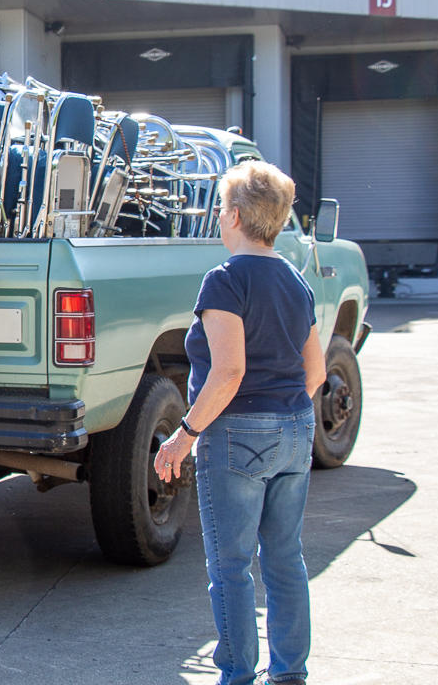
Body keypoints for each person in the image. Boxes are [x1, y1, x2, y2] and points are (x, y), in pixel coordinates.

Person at [154, 160, 326, 685]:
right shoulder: (297, 282)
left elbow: (228, 371)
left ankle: (236, 677)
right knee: (285, 561)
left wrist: (184, 436)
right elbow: (315, 371)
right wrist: (282, 419)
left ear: (232, 215)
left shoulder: (225, 281)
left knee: (231, 569)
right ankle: (289, 675)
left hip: (237, 436)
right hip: (297, 428)